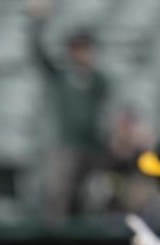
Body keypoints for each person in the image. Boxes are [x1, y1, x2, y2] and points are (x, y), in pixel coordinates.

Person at [28, 0, 111, 224]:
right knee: (60, 193)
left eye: (85, 47)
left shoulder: (99, 81)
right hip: (68, 147)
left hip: (94, 148)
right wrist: (37, 22)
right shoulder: (63, 77)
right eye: (77, 47)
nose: (82, 52)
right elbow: (39, 54)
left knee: (94, 196)